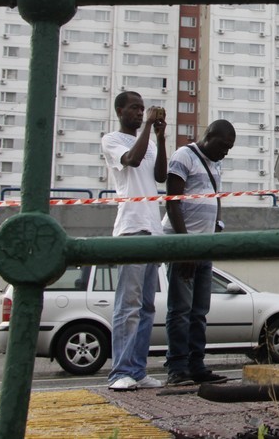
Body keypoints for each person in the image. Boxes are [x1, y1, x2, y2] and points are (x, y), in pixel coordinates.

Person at [100, 91, 168, 391]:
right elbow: (132, 159)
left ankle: (138, 370)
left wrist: (161, 137)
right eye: (134, 108)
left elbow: (161, 175)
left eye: (142, 109)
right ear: (120, 111)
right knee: (127, 304)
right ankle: (120, 372)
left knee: (147, 306)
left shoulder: (150, 140)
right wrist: (146, 131)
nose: (140, 113)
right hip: (131, 227)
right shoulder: (112, 140)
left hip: (153, 228)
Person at [162, 119, 236, 386]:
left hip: (204, 245)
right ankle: (177, 368)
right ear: (209, 136)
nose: (226, 151)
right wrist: (185, 248)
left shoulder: (217, 163)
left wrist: (217, 227)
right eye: (224, 145)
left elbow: (214, 198)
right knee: (180, 309)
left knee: (199, 311)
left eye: (230, 148)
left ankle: (196, 365)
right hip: (184, 245)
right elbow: (172, 204)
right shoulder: (184, 156)